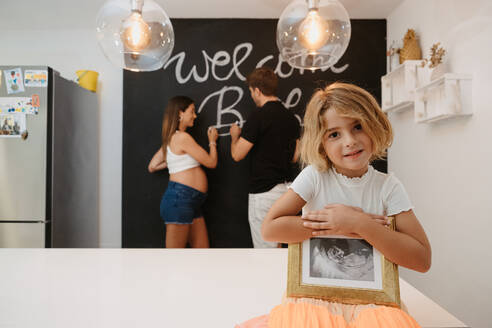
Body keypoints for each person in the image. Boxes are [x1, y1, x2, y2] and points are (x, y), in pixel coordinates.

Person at [237, 82, 431, 328]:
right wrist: (336, 226)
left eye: (358, 127)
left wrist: (361, 225)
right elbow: (271, 229)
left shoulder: (387, 187)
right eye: (334, 134)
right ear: (321, 143)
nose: (350, 141)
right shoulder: (315, 177)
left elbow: (421, 259)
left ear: (375, 124)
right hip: (314, 297)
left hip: (372, 302)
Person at [229, 67, 300, 248]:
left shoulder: (257, 116)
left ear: (257, 91)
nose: (252, 96)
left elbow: (237, 154)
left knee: (265, 250)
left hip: (264, 191)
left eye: (251, 91)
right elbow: (294, 157)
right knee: (285, 248)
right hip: (287, 192)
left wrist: (234, 136)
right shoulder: (291, 118)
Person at [148, 96, 218, 248]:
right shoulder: (183, 138)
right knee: (175, 258)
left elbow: (152, 166)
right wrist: (212, 141)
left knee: (202, 254)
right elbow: (211, 162)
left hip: (191, 201)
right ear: (180, 113)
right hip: (180, 199)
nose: (195, 115)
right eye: (192, 111)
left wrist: (173, 161)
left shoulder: (170, 139)